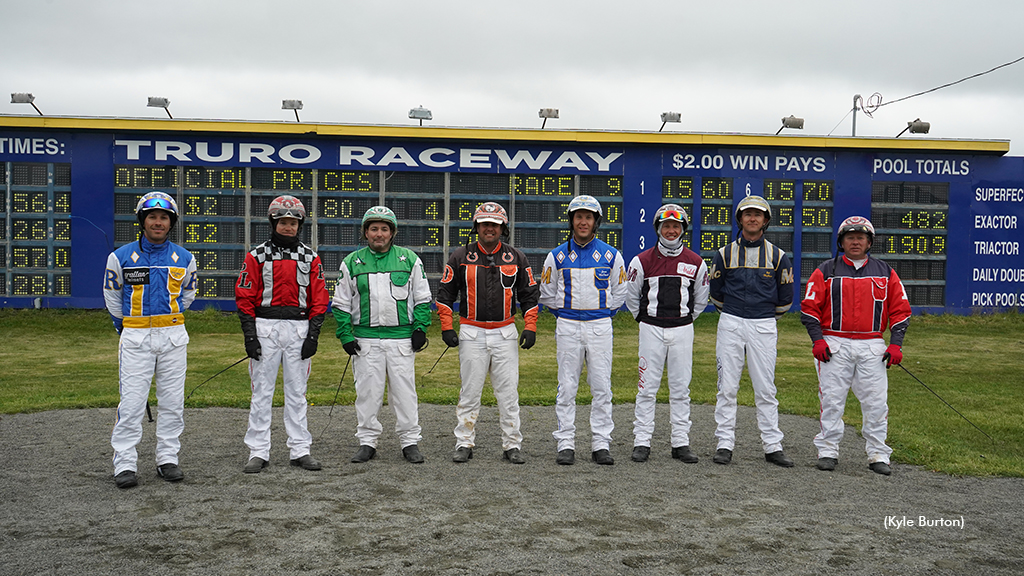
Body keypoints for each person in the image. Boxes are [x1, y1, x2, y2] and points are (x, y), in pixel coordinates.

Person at [801, 216, 911, 475]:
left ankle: (878, 454)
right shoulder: (826, 270)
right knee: (831, 400)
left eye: (861, 238)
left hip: (872, 344)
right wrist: (818, 340)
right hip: (834, 343)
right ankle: (828, 450)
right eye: (850, 237)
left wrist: (896, 345)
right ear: (841, 241)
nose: (855, 242)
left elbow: (900, 311)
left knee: (876, 402)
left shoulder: (886, 272)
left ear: (869, 242)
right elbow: (809, 308)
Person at [103, 191, 197, 489]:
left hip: (173, 337)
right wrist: (128, 326)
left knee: (172, 403)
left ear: (172, 222)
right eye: (152, 217)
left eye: (164, 217)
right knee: (131, 403)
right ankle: (125, 463)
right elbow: (112, 296)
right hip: (135, 336)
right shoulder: (120, 257)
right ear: (142, 221)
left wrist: (167, 320)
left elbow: (188, 295)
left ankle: (167, 459)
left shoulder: (184, 257)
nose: (158, 222)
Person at [436, 202, 540, 465]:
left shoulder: (517, 257)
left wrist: (531, 325)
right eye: (484, 224)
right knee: (469, 392)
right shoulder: (460, 257)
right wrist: (447, 326)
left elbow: (529, 296)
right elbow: (445, 295)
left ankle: (512, 444)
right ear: (476, 227)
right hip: (471, 331)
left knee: (508, 393)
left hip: (505, 332)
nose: (489, 229)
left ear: (503, 227)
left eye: (494, 224)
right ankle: (464, 442)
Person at [235, 195, 330, 474]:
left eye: (293, 222)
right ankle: (258, 451)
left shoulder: (311, 257)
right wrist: (250, 336)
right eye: (283, 222)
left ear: (300, 224)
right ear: (273, 222)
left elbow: (320, 298)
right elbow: (244, 297)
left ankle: (300, 449)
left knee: (297, 392)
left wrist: (313, 335)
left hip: (299, 328)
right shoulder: (256, 255)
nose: (288, 227)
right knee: (261, 392)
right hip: (265, 327)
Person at [332, 206, 432, 464]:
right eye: (374, 228)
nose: (379, 234)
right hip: (365, 341)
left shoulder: (409, 259)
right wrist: (345, 335)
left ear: (392, 233)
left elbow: (422, 298)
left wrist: (420, 328)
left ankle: (410, 442)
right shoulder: (351, 262)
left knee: (405, 393)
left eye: (384, 229)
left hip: (401, 340)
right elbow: (341, 304)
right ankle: (367, 442)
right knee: (367, 393)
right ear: (366, 232)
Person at [539, 195, 628, 466]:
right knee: (567, 386)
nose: (583, 222)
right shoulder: (556, 256)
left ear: (596, 221)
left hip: (601, 326)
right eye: (578, 217)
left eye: (588, 217)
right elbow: (546, 292)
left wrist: (602, 314)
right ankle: (565, 443)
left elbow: (621, 291)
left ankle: (601, 443)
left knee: (601, 386)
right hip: (567, 325)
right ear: (571, 220)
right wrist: (566, 314)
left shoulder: (612, 255)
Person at [708, 194, 795, 467]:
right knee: (727, 387)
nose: (753, 218)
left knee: (765, 388)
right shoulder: (723, 254)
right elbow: (716, 294)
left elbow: (786, 298)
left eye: (758, 214)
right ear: (740, 219)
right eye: (747, 214)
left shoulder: (779, 257)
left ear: (765, 220)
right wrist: (735, 315)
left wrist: (762, 318)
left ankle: (772, 445)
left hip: (764, 324)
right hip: (731, 322)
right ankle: (724, 444)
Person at [625, 204, 709, 463]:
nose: (671, 230)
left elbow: (701, 299)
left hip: (683, 329)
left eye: (676, 226)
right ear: (658, 228)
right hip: (650, 329)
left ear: (683, 229)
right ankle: (642, 441)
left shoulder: (696, 262)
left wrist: (683, 320)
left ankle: (680, 443)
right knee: (646, 388)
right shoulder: (641, 260)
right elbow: (631, 297)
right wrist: (645, 320)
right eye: (666, 226)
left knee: (680, 389)